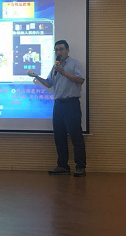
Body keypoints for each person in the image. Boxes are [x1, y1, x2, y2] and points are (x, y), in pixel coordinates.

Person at [28, 40, 86, 177]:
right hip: (58, 104)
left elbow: (81, 80)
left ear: (67, 50)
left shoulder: (75, 63)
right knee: (59, 136)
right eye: (56, 50)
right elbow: (49, 83)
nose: (58, 52)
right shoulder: (55, 66)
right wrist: (36, 76)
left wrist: (63, 72)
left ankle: (80, 167)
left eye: (61, 49)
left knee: (76, 136)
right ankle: (62, 166)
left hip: (71, 103)